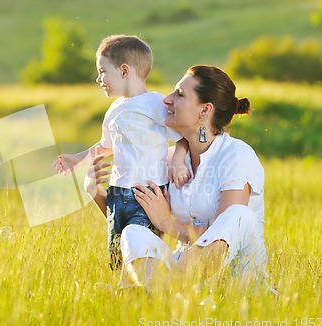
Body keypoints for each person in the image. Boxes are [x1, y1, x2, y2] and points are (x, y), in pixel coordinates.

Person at [87, 65, 272, 291]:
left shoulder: (236, 155)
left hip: (237, 278)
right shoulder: (165, 160)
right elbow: (133, 213)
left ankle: (157, 290)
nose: (167, 99)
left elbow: (222, 234)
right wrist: (95, 191)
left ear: (205, 109)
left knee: (239, 215)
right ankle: (165, 291)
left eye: (180, 94)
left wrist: (166, 223)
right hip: (184, 265)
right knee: (133, 233)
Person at [54, 35, 190, 270]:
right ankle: (125, 296)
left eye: (102, 71)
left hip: (147, 194)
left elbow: (182, 139)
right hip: (117, 193)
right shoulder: (114, 109)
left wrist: (177, 162)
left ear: (125, 70)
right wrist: (77, 160)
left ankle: (149, 292)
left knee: (142, 252)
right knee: (117, 255)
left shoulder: (156, 104)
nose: (98, 79)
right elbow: (106, 146)